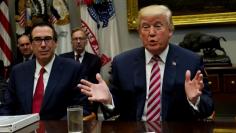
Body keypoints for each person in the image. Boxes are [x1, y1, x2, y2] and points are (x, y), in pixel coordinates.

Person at [79, 5, 214, 121]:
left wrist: (194, 100)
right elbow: (115, 110)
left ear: (170, 31)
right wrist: (109, 101)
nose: (151, 33)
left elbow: (208, 109)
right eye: (145, 27)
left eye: (158, 26)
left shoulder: (190, 61)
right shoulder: (122, 63)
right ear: (139, 32)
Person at [0, 22, 93, 120]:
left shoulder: (74, 69)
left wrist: (57, 127)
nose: (43, 45)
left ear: (55, 43)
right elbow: (7, 107)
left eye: (48, 39)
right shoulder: (18, 72)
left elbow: (82, 108)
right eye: (37, 40)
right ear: (31, 44)